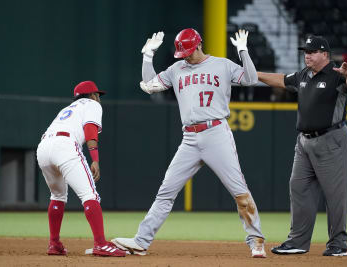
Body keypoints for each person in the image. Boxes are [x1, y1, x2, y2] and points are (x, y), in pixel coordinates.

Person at [111, 28, 266, 258]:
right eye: (182, 52)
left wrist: (243, 51)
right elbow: (149, 85)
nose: (186, 55)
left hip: (216, 133)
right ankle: (141, 241)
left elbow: (251, 79)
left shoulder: (222, 65)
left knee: (239, 190)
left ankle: (256, 240)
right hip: (190, 138)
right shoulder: (177, 69)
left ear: (199, 44)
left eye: (189, 50)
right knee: (166, 191)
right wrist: (147, 56)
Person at [257, 35, 347, 256]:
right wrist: (253, 74)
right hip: (304, 142)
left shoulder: (336, 74)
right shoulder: (303, 74)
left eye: (312, 51)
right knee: (298, 188)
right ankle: (297, 242)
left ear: (325, 54)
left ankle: (338, 244)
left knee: (335, 195)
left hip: (330, 140)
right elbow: (281, 80)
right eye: (306, 51)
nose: (308, 55)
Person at [36, 81, 126, 257]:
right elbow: (90, 130)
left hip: (44, 147)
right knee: (90, 195)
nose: (98, 98)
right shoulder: (91, 104)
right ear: (92, 95)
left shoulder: (68, 109)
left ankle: (54, 244)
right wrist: (95, 160)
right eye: (97, 95)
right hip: (65, 145)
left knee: (57, 196)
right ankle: (100, 243)